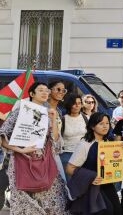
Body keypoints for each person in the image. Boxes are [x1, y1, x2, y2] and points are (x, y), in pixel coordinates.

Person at [0, 82, 70, 214]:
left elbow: (55, 140)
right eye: (41, 90)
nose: (45, 93)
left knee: (55, 198)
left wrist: (54, 119)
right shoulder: (20, 111)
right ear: (32, 94)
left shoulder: (49, 112)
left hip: (45, 161)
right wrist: (21, 150)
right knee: (24, 201)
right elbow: (3, 138)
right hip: (21, 162)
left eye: (46, 90)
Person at [66, 112, 123, 214]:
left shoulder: (109, 144)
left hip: (108, 184)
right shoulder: (85, 144)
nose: (105, 126)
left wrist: (118, 170)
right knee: (106, 210)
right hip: (91, 187)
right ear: (92, 126)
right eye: (101, 123)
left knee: (117, 210)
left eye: (107, 123)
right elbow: (69, 168)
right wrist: (91, 177)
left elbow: (112, 164)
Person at [60, 93, 88, 175]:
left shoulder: (85, 118)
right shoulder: (63, 119)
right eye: (74, 103)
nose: (77, 106)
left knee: (83, 182)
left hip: (83, 154)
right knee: (70, 184)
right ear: (69, 105)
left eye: (79, 103)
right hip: (67, 155)